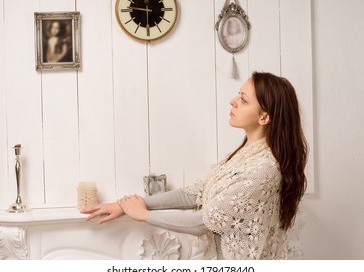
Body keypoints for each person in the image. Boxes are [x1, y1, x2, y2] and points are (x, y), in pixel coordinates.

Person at [81, 72, 308, 260]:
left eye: (244, 100)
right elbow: (192, 194)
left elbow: (203, 221)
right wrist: (128, 205)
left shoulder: (264, 170)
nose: (233, 101)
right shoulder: (240, 157)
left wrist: (143, 215)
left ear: (264, 118)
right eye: (238, 95)